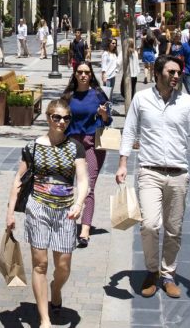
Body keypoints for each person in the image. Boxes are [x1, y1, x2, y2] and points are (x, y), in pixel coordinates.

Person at [115, 55, 190, 299]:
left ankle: (168, 274)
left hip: (178, 173)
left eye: (178, 72)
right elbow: (130, 130)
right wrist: (123, 162)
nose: (176, 76)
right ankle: (152, 270)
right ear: (157, 73)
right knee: (149, 224)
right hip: (149, 171)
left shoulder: (187, 102)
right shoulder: (141, 99)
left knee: (174, 229)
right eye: (171, 72)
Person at [6, 99, 89, 328]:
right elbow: (18, 180)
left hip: (65, 211)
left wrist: (79, 204)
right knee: (40, 264)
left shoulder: (75, 147)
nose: (62, 122)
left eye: (66, 118)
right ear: (48, 117)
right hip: (38, 208)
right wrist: (10, 213)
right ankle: (45, 319)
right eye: (57, 117)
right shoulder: (32, 147)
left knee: (63, 266)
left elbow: (83, 180)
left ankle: (56, 289)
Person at [62, 62, 111, 248]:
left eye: (87, 72)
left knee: (88, 187)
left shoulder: (98, 94)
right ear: (75, 74)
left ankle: (85, 229)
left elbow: (109, 120)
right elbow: (59, 119)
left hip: (92, 145)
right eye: (80, 72)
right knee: (66, 186)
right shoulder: (68, 96)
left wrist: (103, 115)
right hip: (70, 145)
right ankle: (66, 220)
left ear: (91, 75)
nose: (83, 75)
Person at [122, 38, 140, 103]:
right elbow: (137, 63)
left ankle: (129, 104)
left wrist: (116, 70)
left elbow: (119, 62)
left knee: (124, 91)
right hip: (134, 75)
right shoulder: (135, 52)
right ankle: (132, 103)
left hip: (128, 74)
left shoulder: (124, 52)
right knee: (132, 91)